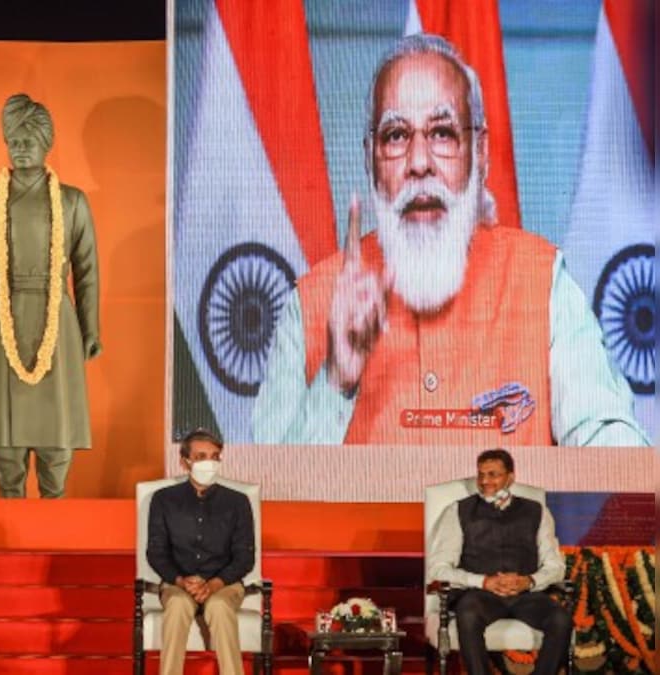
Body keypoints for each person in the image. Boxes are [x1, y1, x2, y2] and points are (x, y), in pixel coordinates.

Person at [251, 33, 647, 447]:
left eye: (441, 133)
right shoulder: (310, 304)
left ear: (479, 152)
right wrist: (334, 381)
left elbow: (614, 461)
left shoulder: (544, 285)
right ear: (370, 158)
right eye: (396, 136)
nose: (419, 163)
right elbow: (261, 498)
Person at [0, 93, 101, 498]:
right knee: (8, 442)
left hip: (57, 320)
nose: (20, 150)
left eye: (28, 141)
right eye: (14, 142)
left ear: (46, 143)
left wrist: (91, 328)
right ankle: (12, 513)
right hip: (2, 324)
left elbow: (87, 272)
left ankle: (53, 513)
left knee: (58, 439)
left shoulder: (72, 202)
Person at [428, 448, 571, 674]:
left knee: (560, 618)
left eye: (493, 474)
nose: (485, 481)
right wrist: (483, 581)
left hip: (526, 595)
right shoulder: (458, 511)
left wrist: (529, 581)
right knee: (468, 614)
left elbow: (555, 566)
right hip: (480, 595)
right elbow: (438, 568)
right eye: (481, 474)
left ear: (510, 478)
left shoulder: (537, 511)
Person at [146, 429, 255, 675]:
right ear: (185, 461)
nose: (209, 463)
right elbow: (156, 552)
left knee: (218, 606)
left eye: (215, 456)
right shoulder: (163, 500)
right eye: (202, 456)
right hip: (178, 582)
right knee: (176, 605)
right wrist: (182, 581)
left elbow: (244, 557)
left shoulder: (237, 502)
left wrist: (214, 584)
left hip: (225, 584)